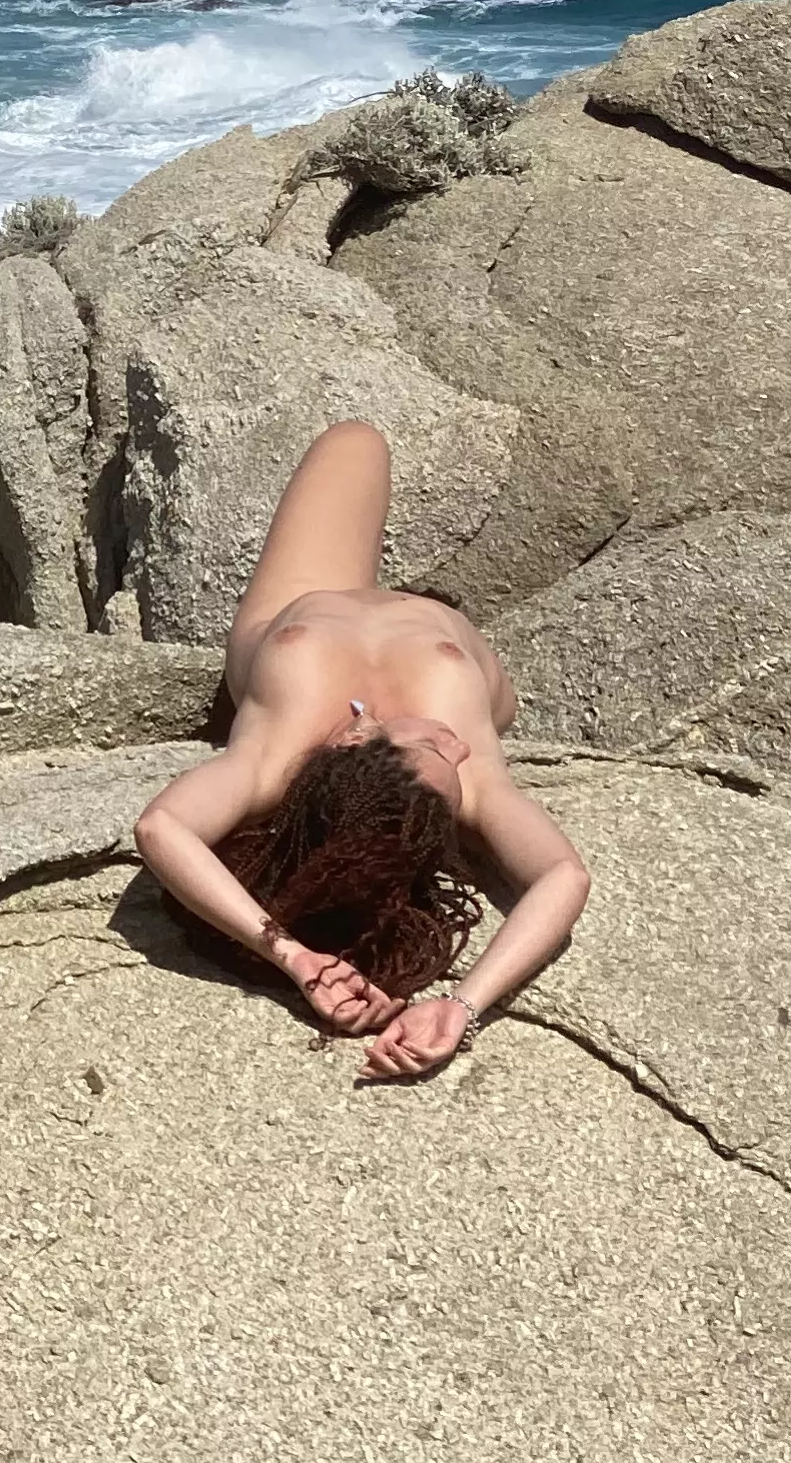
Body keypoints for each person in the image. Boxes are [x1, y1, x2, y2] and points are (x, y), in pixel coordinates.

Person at [131, 420, 590, 1081]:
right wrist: (461, 1009)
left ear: (356, 737)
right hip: (442, 647)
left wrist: (288, 953)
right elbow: (563, 876)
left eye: (434, 746)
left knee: (355, 440)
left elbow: (162, 826)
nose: (458, 742)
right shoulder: (472, 775)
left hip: (306, 603)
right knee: (361, 438)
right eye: (448, 753)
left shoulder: (281, 749)